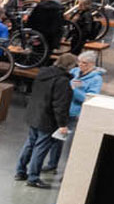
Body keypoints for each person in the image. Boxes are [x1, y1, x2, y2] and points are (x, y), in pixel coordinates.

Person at [16, 52, 74, 189]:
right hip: (47, 119)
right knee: (41, 148)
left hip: (34, 114)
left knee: (30, 143)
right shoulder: (62, 81)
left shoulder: (43, 73)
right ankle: (33, 178)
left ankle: (20, 171)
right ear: (70, 66)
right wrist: (62, 124)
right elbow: (60, 105)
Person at [43, 49, 104, 175]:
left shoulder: (96, 79)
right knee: (55, 139)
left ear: (92, 64)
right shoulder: (74, 71)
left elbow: (89, 99)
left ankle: (67, 171)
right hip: (62, 110)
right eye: (79, 62)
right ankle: (52, 164)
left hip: (74, 114)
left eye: (84, 63)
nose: (80, 65)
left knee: (67, 143)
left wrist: (73, 89)